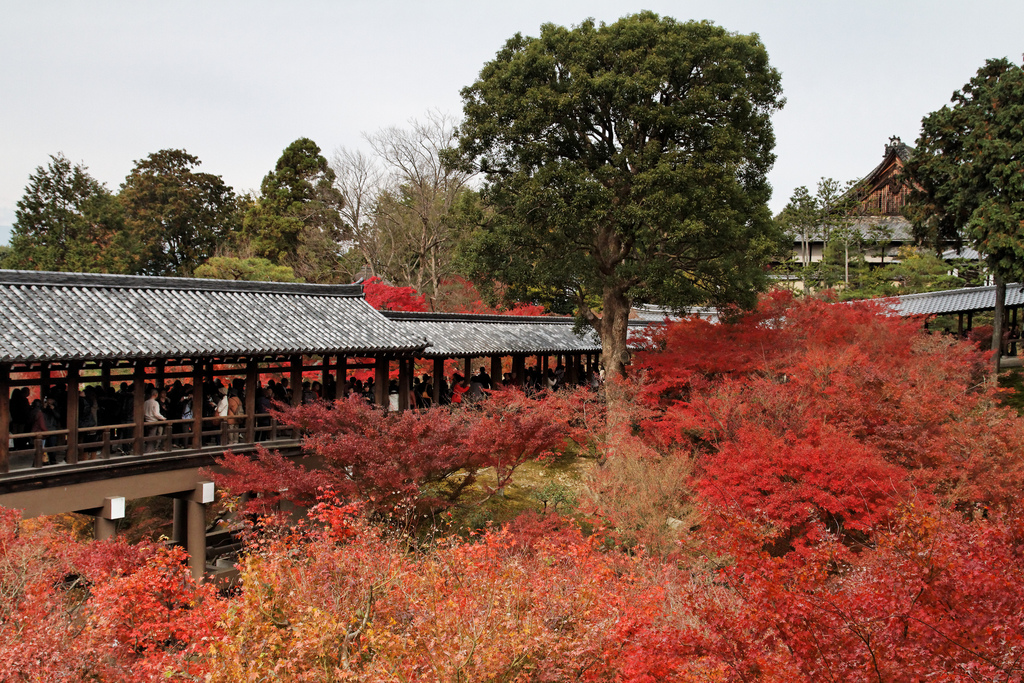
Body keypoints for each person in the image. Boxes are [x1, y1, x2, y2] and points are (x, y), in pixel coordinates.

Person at [143, 387, 165, 452]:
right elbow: (156, 414)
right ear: (155, 394)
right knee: (152, 437)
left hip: (146, 420)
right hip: (153, 421)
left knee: (149, 435)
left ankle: (149, 449)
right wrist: (163, 418)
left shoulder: (145, 402)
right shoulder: (155, 403)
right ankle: (149, 450)